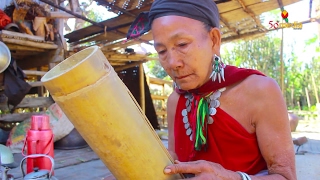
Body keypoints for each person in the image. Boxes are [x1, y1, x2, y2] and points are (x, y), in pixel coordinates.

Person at [127, 0, 296, 179]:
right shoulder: (175, 100)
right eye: (162, 51)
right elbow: (175, 164)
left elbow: (286, 176)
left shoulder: (260, 91)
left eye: (182, 45)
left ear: (214, 40)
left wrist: (231, 178)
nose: (172, 63)